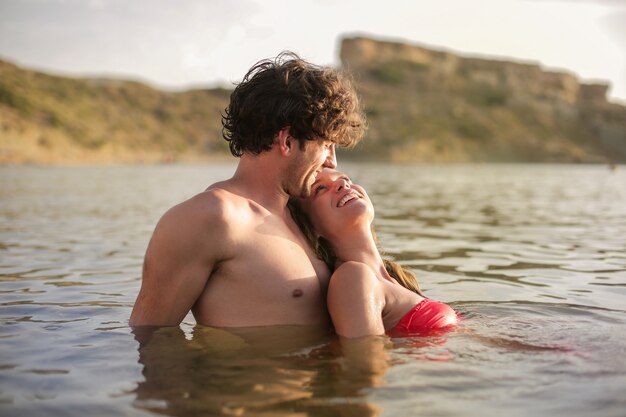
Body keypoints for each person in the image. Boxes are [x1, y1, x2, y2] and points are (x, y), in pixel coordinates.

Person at [129, 52, 366, 328]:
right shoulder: (211, 217)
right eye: (325, 145)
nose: (332, 161)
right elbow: (149, 338)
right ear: (287, 141)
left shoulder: (302, 216)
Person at [291, 168, 459, 338]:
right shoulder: (352, 277)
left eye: (345, 178)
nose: (343, 184)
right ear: (311, 227)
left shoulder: (396, 280)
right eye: (320, 188)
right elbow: (366, 359)